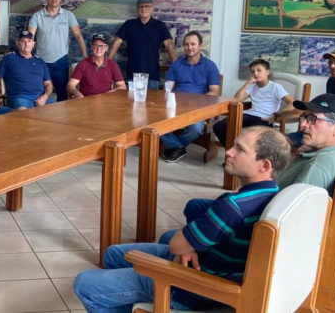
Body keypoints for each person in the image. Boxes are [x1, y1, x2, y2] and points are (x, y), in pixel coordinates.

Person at [73, 126, 291, 312]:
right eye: (233, 145)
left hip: (194, 287)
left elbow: (178, 244)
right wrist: (189, 247)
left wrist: (185, 247)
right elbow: (192, 229)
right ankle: (128, 299)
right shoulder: (273, 192)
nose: (229, 152)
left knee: (84, 284)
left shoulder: (233, 207)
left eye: (240, 150)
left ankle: (140, 297)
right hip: (211, 265)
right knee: (112, 254)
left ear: (265, 165)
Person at [159, 31, 221, 163]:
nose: (189, 47)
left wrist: (195, 102)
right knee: (155, 122)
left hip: (199, 107)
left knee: (196, 129)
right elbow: (168, 87)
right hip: (176, 105)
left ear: (201, 46)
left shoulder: (210, 66)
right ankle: (178, 147)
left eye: (193, 44)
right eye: (186, 44)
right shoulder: (177, 65)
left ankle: (175, 147)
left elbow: (214, 91)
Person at [276, 94, 335, 196]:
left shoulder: (317, 167)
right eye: (304, 117)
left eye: (312, 119)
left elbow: (292, 210)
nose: (303, 124)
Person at [213, 58, 293, 146]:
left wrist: (276, 116)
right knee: (218, 127)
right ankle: (233, 152)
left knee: (251, 137)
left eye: (259, 70)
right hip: (249, 114)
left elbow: (292, 103)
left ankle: (242, 155)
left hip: (264, 118)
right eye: (253, 71)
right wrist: (248, 83)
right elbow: (237, 99)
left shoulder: (275, 87)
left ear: (267, 72)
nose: (255, 73)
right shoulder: (252, 86)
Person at [28, 0, 87, 101]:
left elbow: (78, 35)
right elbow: (29, 38)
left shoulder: (68, 15)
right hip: (41, 62)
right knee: (40, 95)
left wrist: (85, 55)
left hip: (61, 61)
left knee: (62, 95)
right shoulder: (37, 16)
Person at [109, 0, 176, 90]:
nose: (144, 9)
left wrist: (176, 66)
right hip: (133, 75)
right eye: (141, 6)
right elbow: (116, 43)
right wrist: (108, 63)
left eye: (147, 6)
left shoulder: (160, 26)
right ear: (137, 9)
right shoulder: (129, 25)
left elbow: (169, 45)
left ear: (152, 8)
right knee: (131, 103)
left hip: (152, 74)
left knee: (152, 103)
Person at [0, 30, 54, 110]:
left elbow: (48, 84)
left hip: (41, 97)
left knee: (56, 112)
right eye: (23, 41)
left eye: (29, 41)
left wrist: (44, 97)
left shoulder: (40, 62)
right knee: (23, 114)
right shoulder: (9, 58)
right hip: (20, 98)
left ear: (33, 44)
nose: (26, 44)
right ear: (17, 44)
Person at [66, 33, 126, 99]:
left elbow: (122, 86)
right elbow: (70, 85)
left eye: (102, 46)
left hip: (106, 101)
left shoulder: (112, 65)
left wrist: (110, 94)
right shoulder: (83, 64)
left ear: (106, 48)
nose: (99, 48)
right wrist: (77, 93)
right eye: (96, 45)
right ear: (92, 46)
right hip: (86, 101)